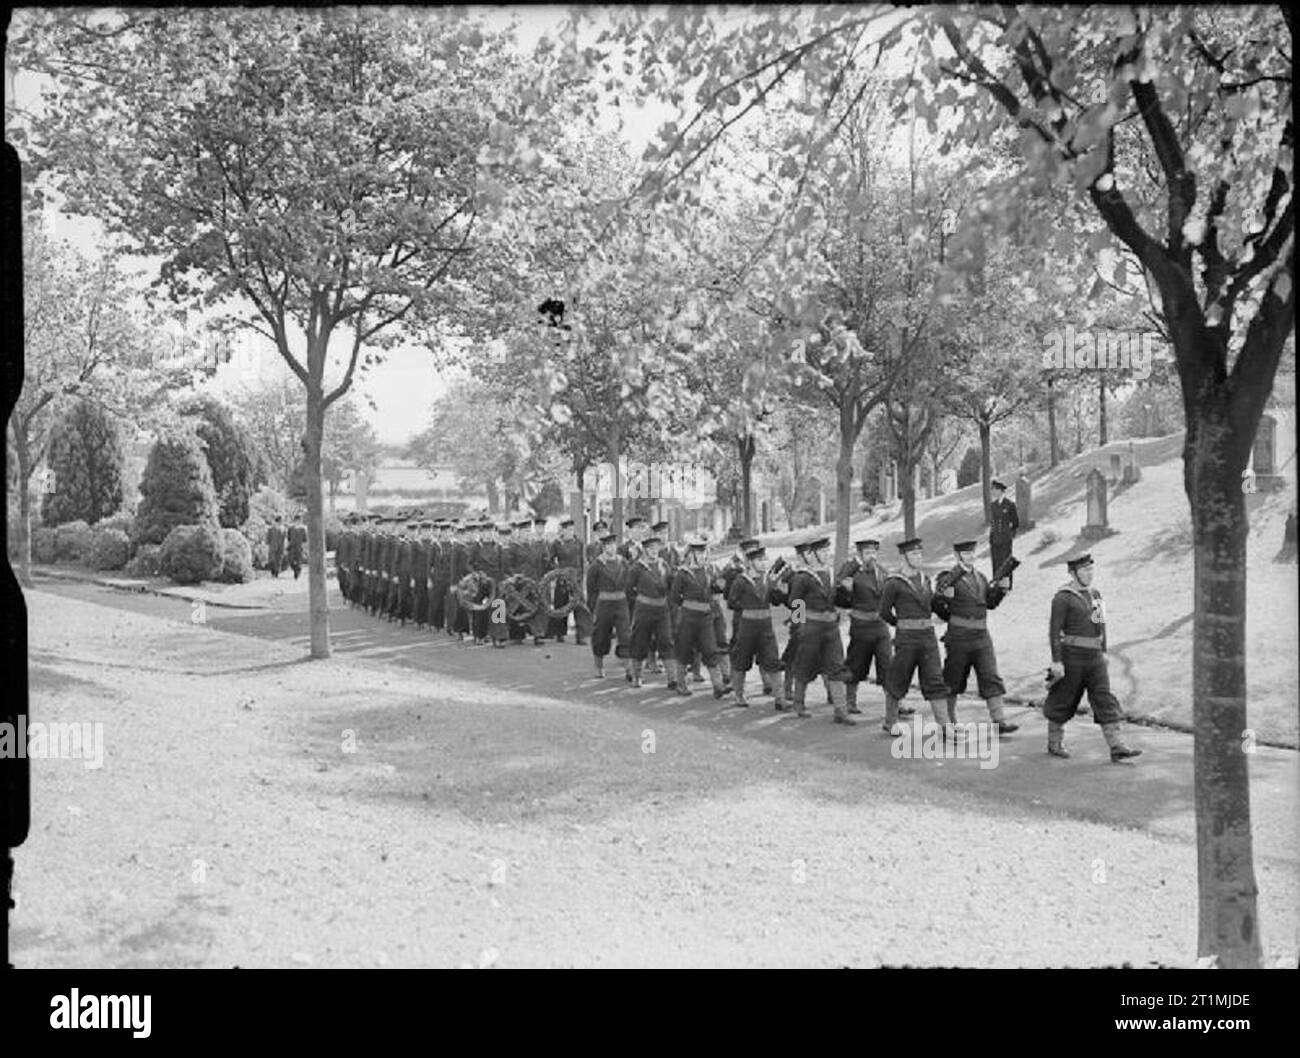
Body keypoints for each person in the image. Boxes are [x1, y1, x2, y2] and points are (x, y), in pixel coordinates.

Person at [1044, 554, 1142, 762]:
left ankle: (1117, 746)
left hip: (1095, 658)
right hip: (1072, 658)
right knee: (1064, 698)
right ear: (1073, 573)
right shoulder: (1062, 598)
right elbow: (1054, 632)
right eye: (1085, 570)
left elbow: (1101, 626)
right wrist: (1057, 661)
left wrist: (1104, 651)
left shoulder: (1096, 595)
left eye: (1091, 570)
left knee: (1103, 697)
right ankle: (1054, 741)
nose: (1090, 574)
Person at [933, 540, 1018, 734]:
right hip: (959, 637)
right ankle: (949, 722)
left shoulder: (980, 577)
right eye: (965, 553)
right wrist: (948, 608)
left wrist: (1001, 590)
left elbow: (989, 603)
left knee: (991, 677)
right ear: (957, 556)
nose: (970, 556)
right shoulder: (948, 578)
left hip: (981, 636)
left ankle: (999, 721)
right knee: (953, 679)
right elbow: (937, 604)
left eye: (972, 553)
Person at [877, 538, 949, 734]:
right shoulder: (894, 582)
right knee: (898, 678)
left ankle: (944, 726)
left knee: (935, 679)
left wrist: (944, 603)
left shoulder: (925, 580)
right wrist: (900, 624)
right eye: (914, 554)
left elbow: (932, 604)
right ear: (904, 557)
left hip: (928, 638)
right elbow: (883, 611)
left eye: (920, 554)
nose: (918, 557)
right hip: (906, 639)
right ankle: (890, 722)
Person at [785, 537, 854, 723]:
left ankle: (840, 710)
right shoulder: (803, 577)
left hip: (831, 628)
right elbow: (795, 602)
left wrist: (847, 592)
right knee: (805, 665)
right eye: (823, 552)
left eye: (827, 551)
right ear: (813, 555)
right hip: (811, 628)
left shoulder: (830, 574)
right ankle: (799, 703)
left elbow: (838, 601)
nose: (827, 555)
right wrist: (799, 628)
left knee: (836, 666)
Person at [837, 537, 907, 721]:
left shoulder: (882, 572)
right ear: (860, 555)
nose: (872, 556)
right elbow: (841, 598)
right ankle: (850, 701)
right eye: (867, 553)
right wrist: (846, 589)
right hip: (861, 627)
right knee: (856, 665)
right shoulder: (852, 573)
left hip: (880, 627)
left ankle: (896, 704)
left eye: (874, 552)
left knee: (888, 665)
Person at [726, 544, 788, 710]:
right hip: (747, 627)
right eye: (760, 560)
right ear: (751, 563)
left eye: (765, 560)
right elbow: (732, 602)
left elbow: (776, 600)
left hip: (766, 627)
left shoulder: (768, 580)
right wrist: (748, 606)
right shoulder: (741, 580)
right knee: (741, 660)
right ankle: (739, 695)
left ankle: (780, 699)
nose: (764, 563)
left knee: (773, 660)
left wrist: (775, 588)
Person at [668, 540, 729, 698]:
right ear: (691, 555)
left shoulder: (708, 570)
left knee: (710, 649)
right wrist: (688, 605)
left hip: (705, 617)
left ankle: (718, 686)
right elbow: (674, 597)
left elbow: (714, 589)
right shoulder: (682, 573)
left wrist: (720, 587)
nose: (702, 556)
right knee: (684, 650)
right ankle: (681, 684)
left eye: (704, 552)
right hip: (688, 618)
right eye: (699, 553)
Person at [627, 535, 675, 687]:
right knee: (639, 642)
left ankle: (672, 678)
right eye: (650, 549)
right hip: (644, 610)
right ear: (645, 550)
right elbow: (628, 589)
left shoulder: (664, 565)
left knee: (666, 641)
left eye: (656, 548)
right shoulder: (637, 568)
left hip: (662, 610)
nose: (654, 551)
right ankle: (637, 676)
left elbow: (671, 585)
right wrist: (639, 602)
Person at [586, 531, 634, 679]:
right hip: (604, 604)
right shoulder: (596, 565)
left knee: (625, 636)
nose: (611, 548)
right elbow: (591, 589)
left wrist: (629, 603)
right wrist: (594, 608)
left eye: (613, 545)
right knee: (600, 636)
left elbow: (629, 584)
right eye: (608, 545)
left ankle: (628, 668)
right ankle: (598, 666)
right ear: (603, 547)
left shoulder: (623, 562)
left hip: (621, 603)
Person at [989, 479, 1020, 587]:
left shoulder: (1009, 504)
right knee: (996, 561)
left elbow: (1015, 522)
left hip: (1005, 538)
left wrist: (1010, 535)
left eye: (994, 489)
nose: (992, 492)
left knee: (1006, 561)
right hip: (994, 538)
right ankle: (997, 582)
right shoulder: (993, 505)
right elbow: (993, 522)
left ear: (1000, 490)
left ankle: (1007, 584)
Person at [287, 512, 307, 580]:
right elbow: (288, 538)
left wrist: (304, 549)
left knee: (299, 561)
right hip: (292, 547)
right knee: (291, 561)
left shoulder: (303, 529)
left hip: (299, 547)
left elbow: (305, 540)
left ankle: (297, 572)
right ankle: (295, 569)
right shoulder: (291, 528)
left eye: (300, 520)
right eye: (297, 520)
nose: (298, 521)